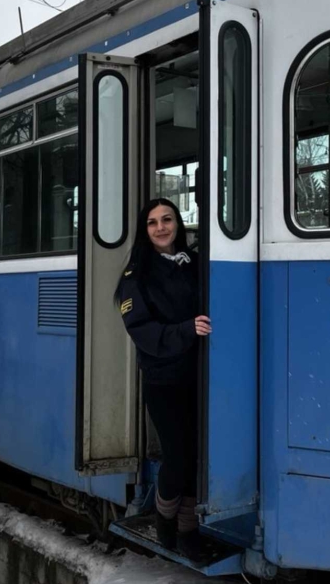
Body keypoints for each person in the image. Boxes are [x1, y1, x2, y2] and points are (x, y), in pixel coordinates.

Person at [114, 198, 211, 556]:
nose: (161, 227)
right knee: (178, 455)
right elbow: (141, 330)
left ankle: (187, 532)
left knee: (197, 455)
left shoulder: (196, 264)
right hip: (164, 380)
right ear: (145, 231)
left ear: (178, 224)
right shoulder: (136, 275)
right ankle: (164, 518)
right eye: (153, 222)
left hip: (199, 377)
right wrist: (186, 331)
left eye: (167, 219)